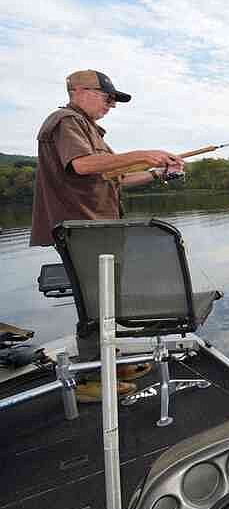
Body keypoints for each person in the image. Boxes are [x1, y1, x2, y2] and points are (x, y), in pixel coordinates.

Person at [30, 69, 185, 402]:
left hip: (97, 228)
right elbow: (82, 166)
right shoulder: (66, 121)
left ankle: (108, 364)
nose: (111, 105)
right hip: (82, 229)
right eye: (107, 97)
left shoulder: (88, 129)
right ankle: (90, 379)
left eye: (113, 100)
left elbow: (116, 178)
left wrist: (157, 171)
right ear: (79, 91)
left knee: (105, 299)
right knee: (94, 303)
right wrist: (143, 154)